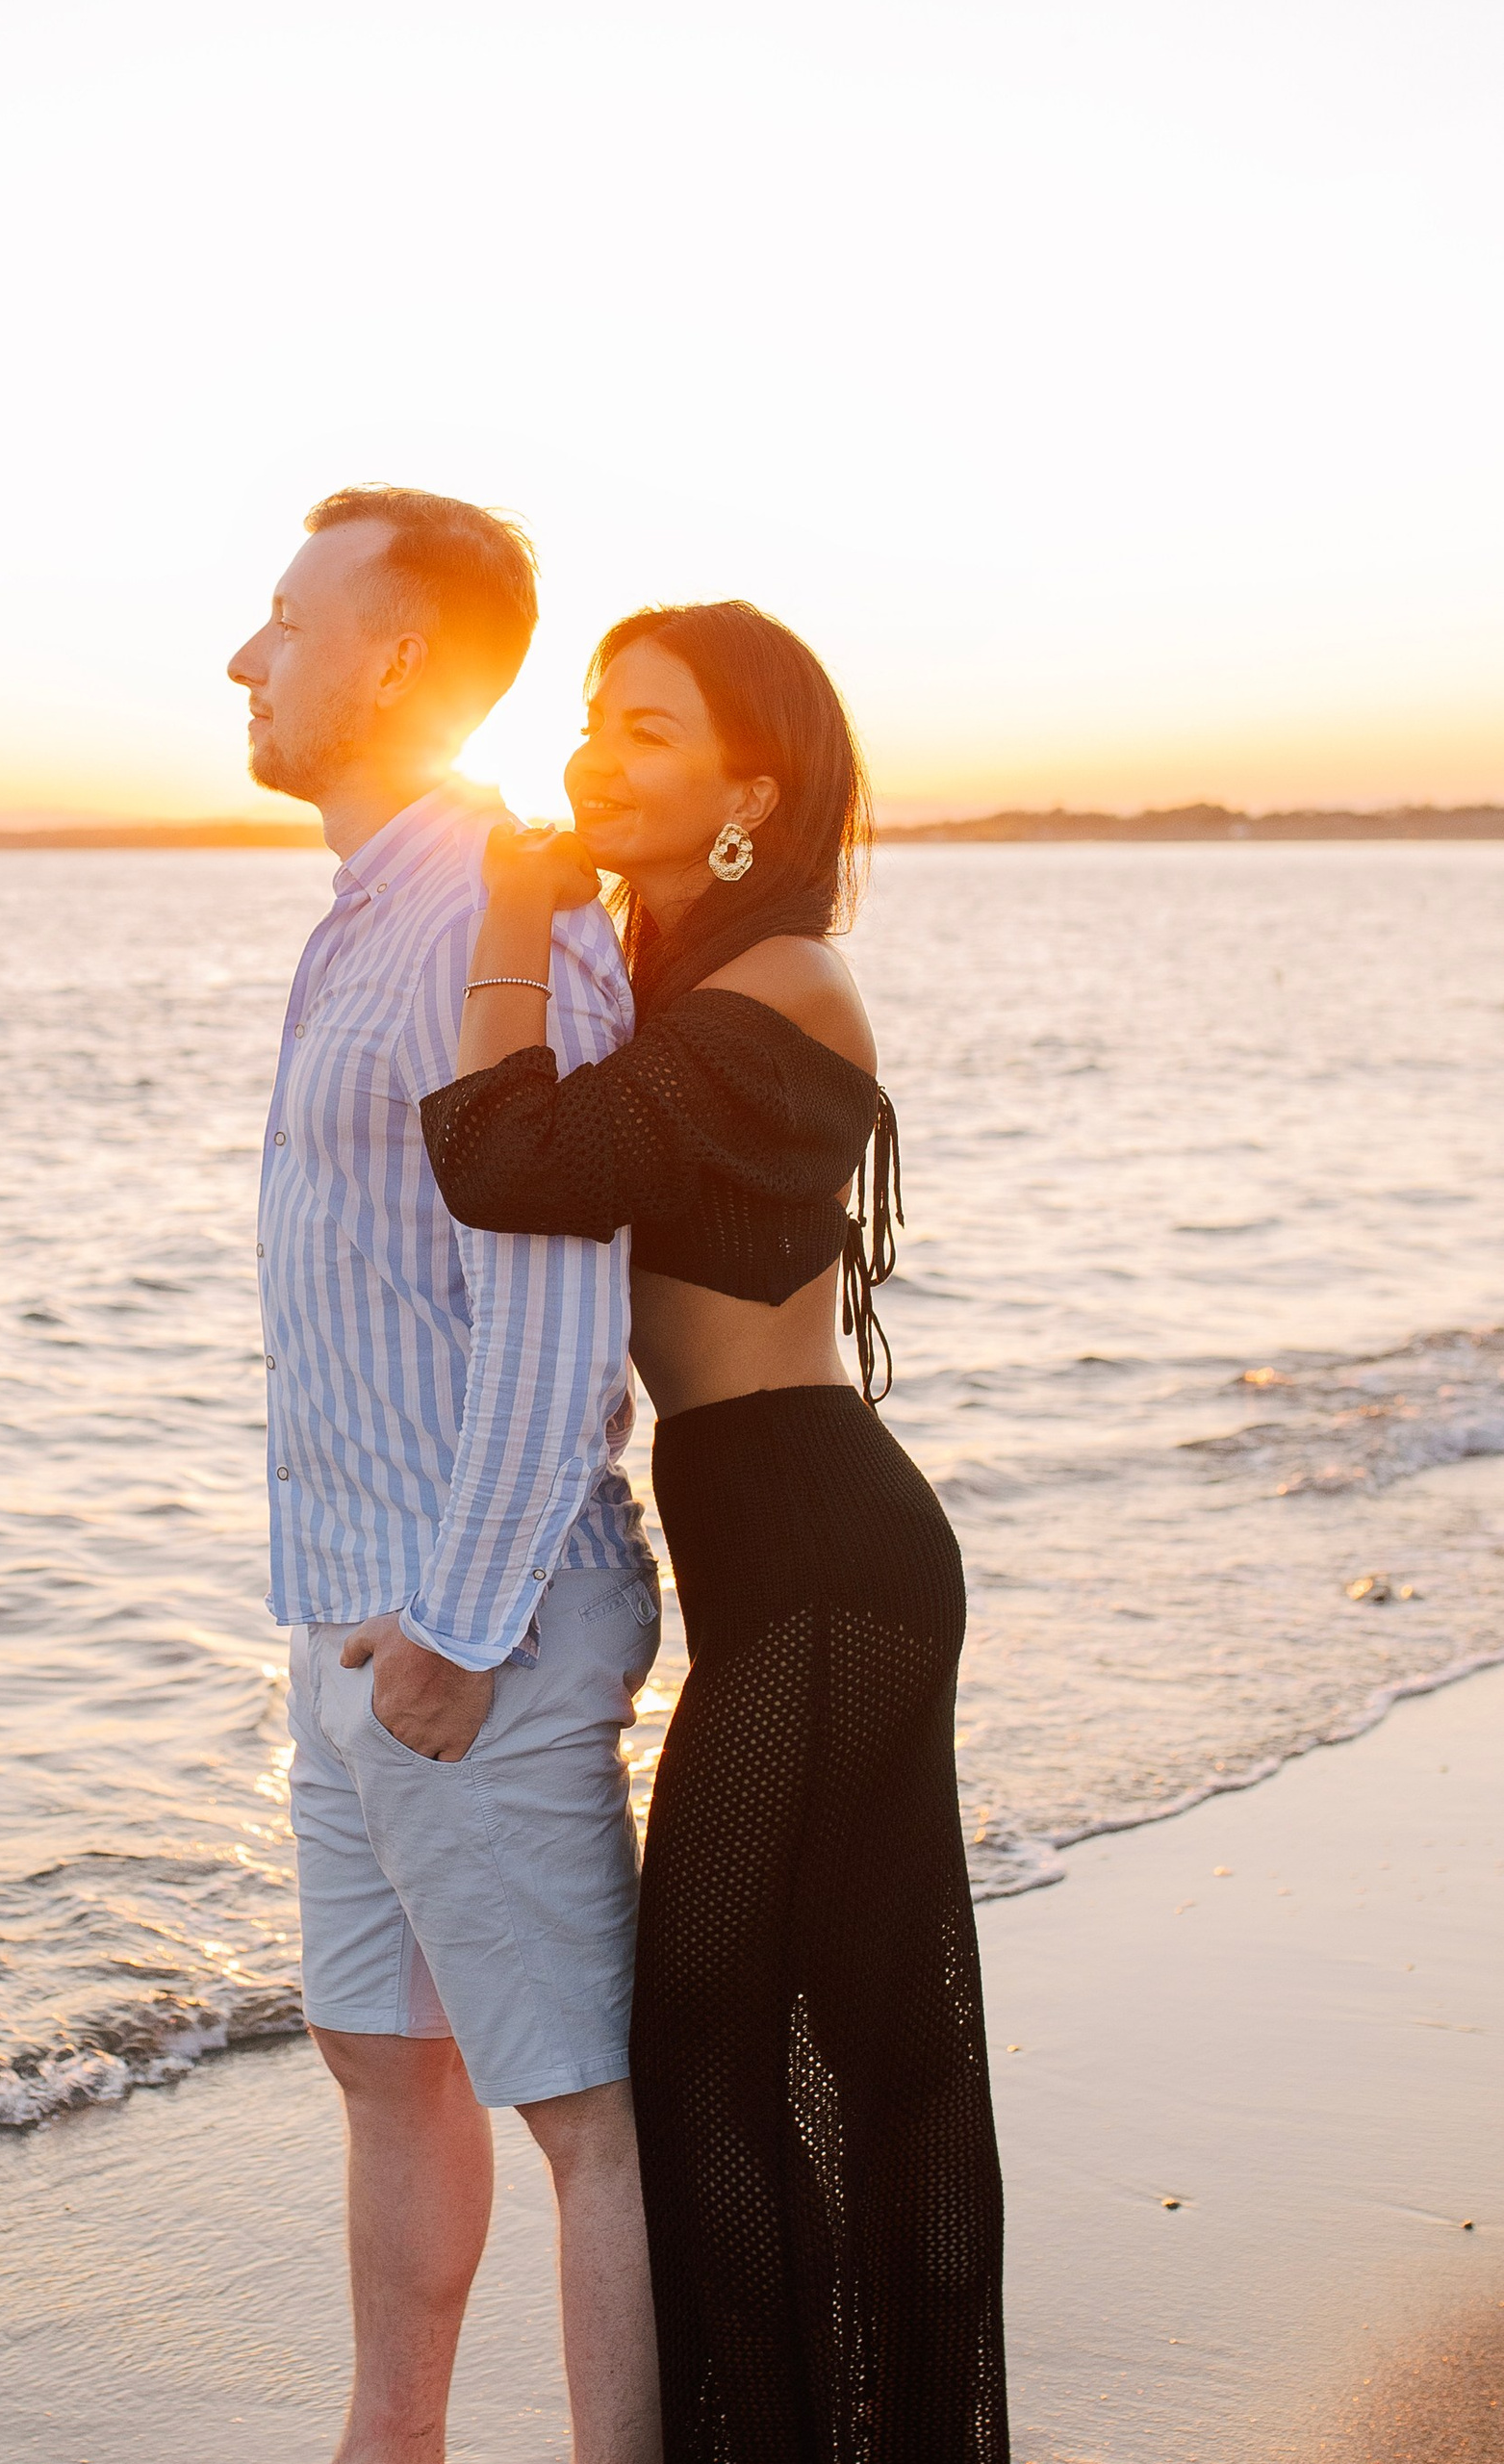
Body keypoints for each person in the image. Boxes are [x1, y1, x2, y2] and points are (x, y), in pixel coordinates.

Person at [420, 602, 1009, 2462]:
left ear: (751, 789)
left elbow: (506, 1162)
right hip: (784, 1565)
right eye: (592, 719)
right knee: (805, 2044)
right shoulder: (690, 985)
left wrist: (514, 918)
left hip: (832, 1567)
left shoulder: (787, 992)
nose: (598, 752)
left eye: (649, 731)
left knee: (745, 2048)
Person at [232, 487, 666, 2464]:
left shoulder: (501, 912)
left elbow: (560, 1300)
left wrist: (461, 1621)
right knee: (378, 2057)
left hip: (466, 1612)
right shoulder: (370, 914)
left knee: (578, 2104)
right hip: (357, 1601)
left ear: (392, 656)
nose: (245, 657)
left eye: (283, 619)